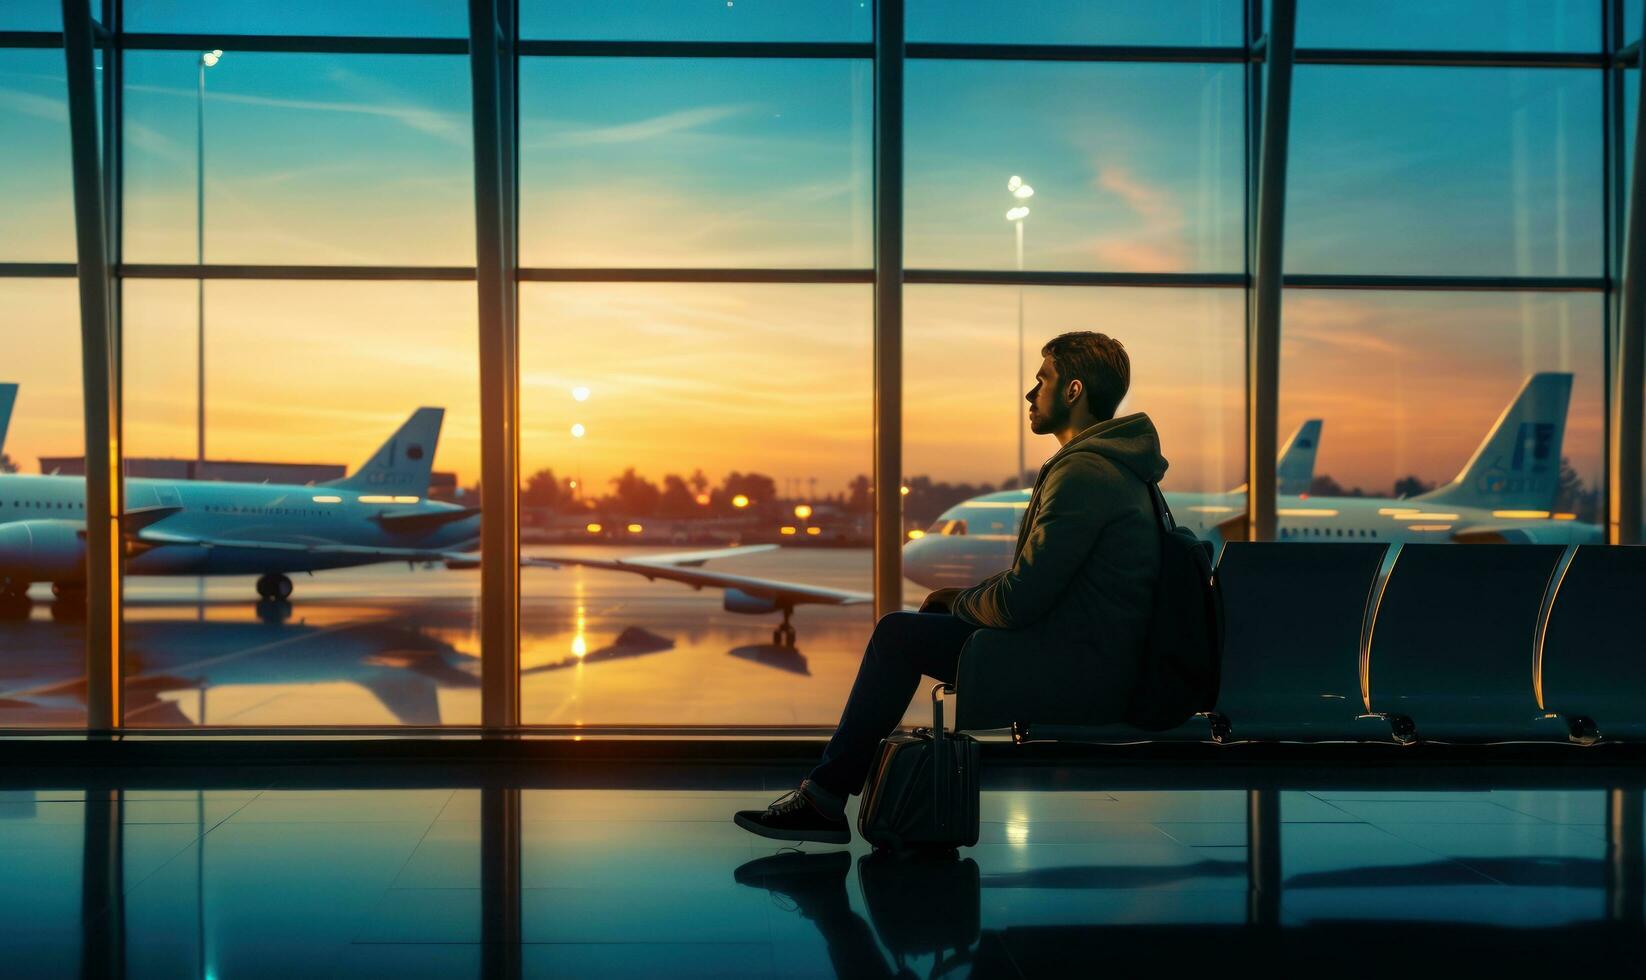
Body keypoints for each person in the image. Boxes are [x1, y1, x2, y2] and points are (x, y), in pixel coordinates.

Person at [734, 331, 1168, 843]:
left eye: (1042, 379)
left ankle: (825, 798)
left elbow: (1023, 599)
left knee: (897, 635)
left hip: (1077, 661)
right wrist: (955, 606)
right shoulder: (1119, 469)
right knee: (925, 622)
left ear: (1073, 391)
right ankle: (830, 794)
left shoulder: (1086, 474)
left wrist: (960, 602)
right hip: (1090, 644)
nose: (1030, 395)